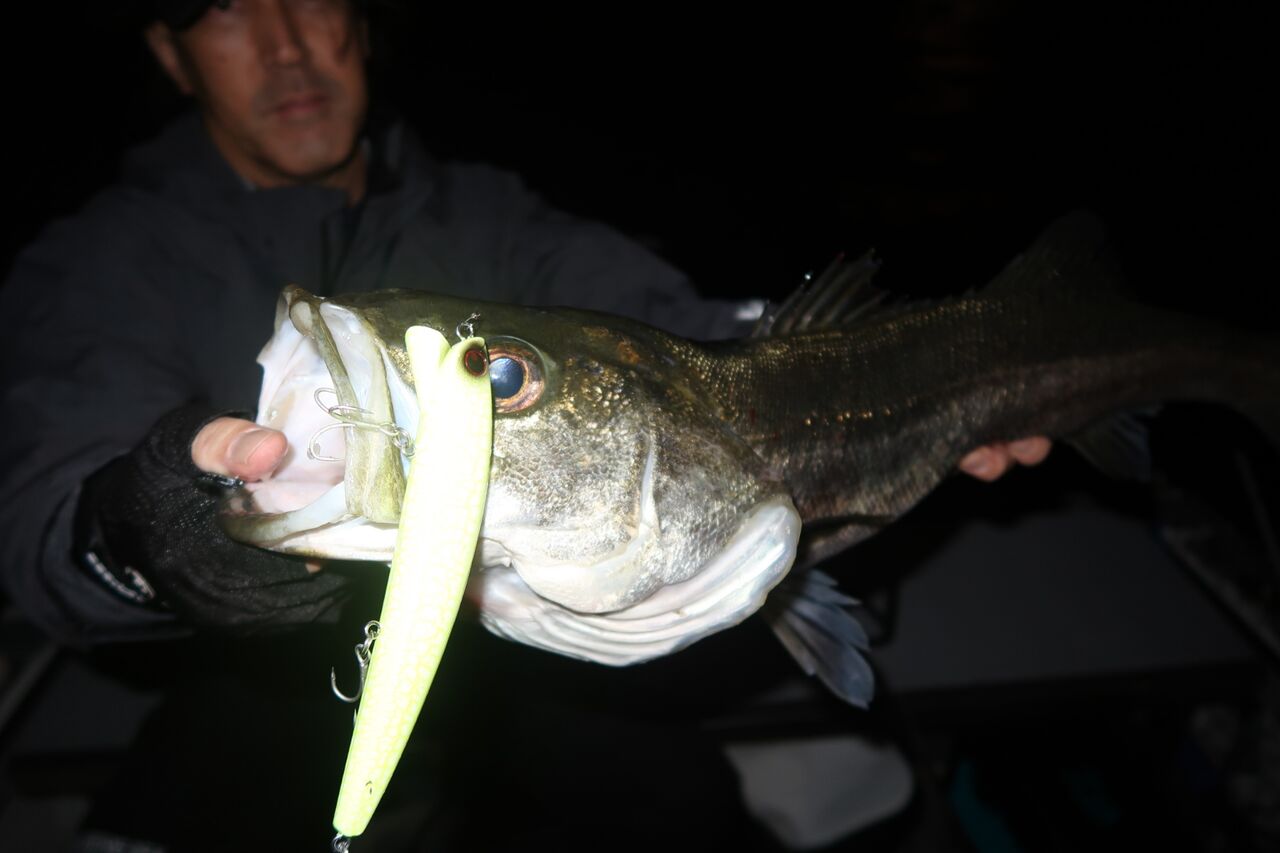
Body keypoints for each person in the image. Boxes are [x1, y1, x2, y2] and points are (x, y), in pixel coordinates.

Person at [0, 0, 1048, 847]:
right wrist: (158, 533)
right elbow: (45, 536)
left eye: (314, 0)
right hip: (263, 681)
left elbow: (676, 346)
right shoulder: (104, 260)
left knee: (681, 810)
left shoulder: (484, 212)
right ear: (170, 55)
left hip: (537, 642)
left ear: (360, 24)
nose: (284, 46)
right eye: (225, 9)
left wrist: (893, 372)